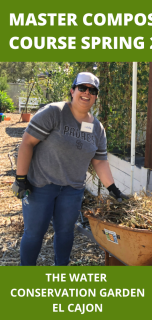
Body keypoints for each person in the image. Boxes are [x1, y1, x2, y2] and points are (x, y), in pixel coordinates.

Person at [12, 72, 127, 266]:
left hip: (72, 190)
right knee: (34, 233)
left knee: (65, 233)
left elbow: (99, 161)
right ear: (72, 91)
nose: (86, 93)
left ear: (96, 96)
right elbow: (27, 143)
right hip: (40, 185)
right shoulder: (54, 113)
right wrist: (20, 178)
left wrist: (113, 189)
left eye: (92, 90)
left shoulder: (97, 128)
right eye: (82, 88)